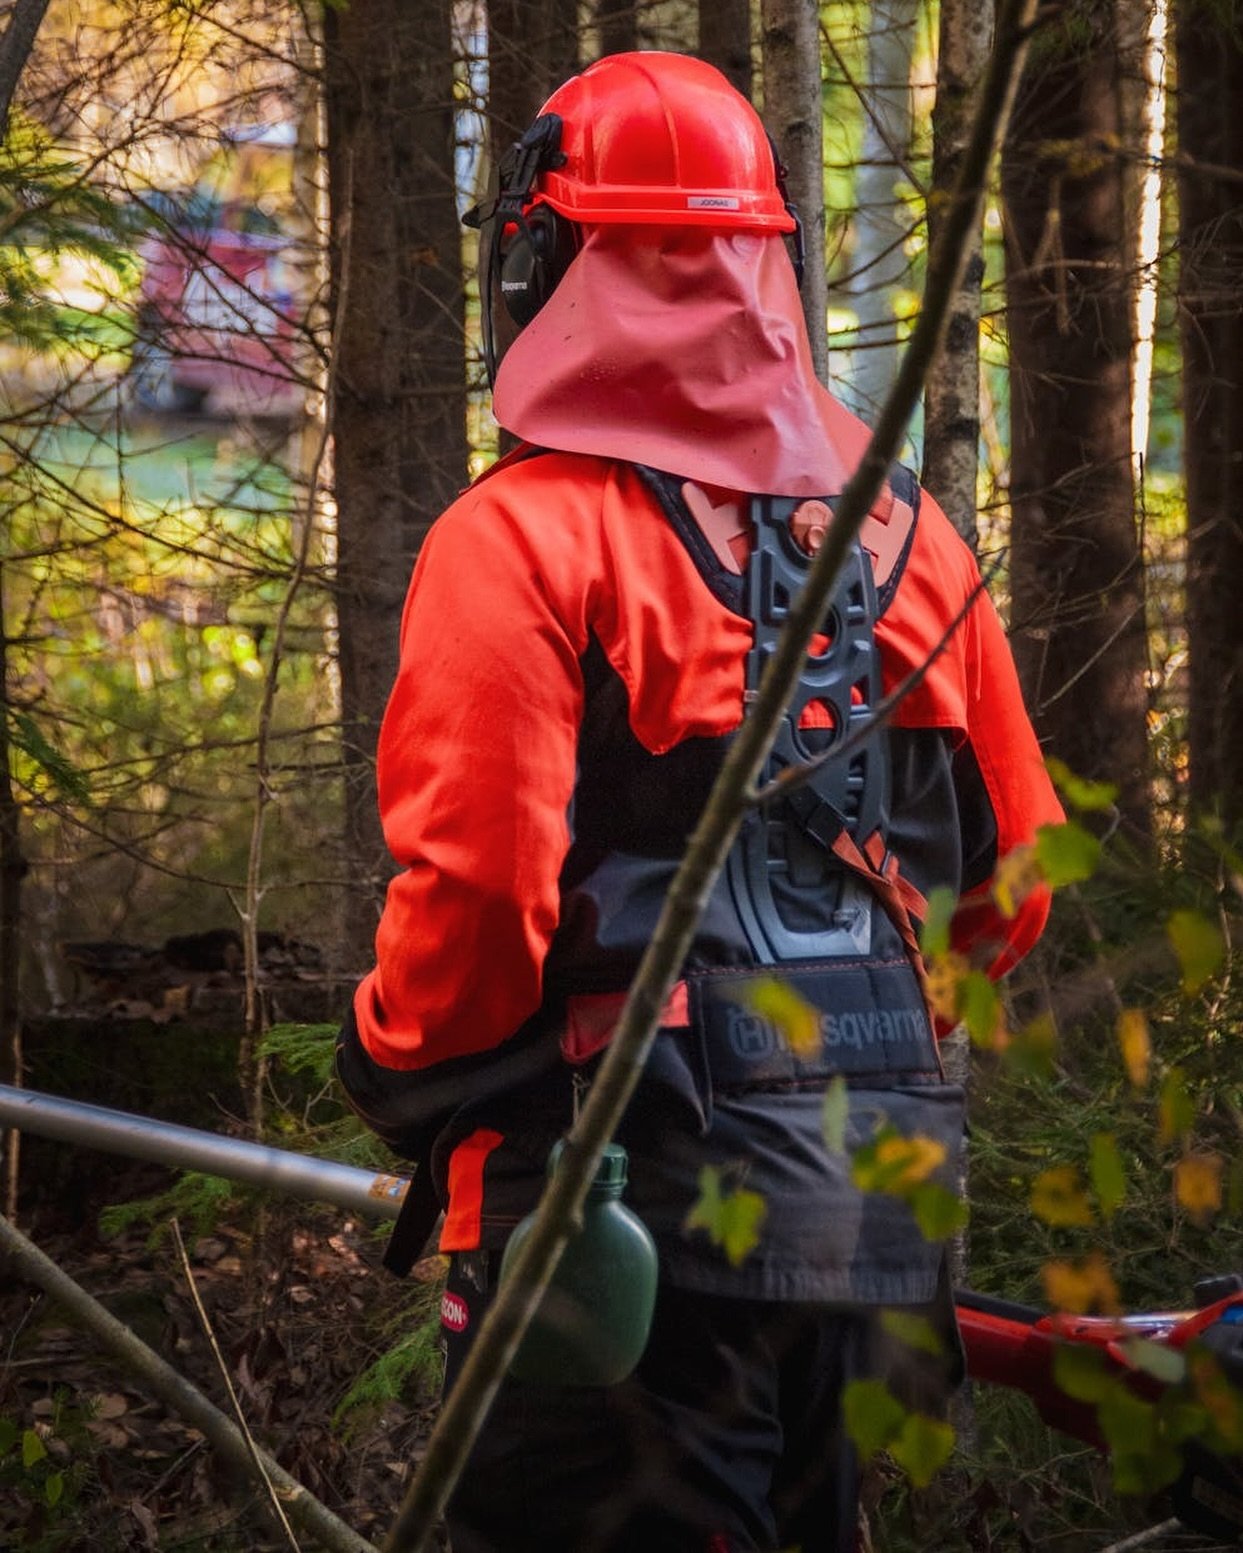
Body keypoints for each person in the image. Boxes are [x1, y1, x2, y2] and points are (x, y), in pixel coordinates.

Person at [336, 50, 1064, 1553]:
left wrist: (393, 1052)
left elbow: (477, 900)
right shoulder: (908, 535)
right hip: (869, 1217)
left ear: (549, 260)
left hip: (614, 1237)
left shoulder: (523, 541)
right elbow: (1022, 880)